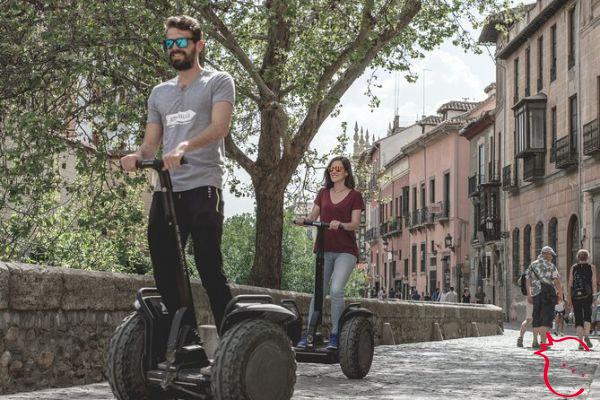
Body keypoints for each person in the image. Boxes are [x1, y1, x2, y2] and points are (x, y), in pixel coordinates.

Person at [120, 15, 234, 330]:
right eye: (169, 43)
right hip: (167, 189)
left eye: (180, 42)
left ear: (198, 45)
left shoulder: (218, 81)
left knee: (208, 267)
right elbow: (150, 145)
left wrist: (184, 146)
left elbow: (219, 127)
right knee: (165, 267)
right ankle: (186, 340)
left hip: (203, 185)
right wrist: (138, 156)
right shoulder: (159, 93)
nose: (174, 48)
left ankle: (232, 344)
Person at [295, 156, 365, 350]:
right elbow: (312, 216)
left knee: (335, 290)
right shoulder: (323, 193)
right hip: (324, 250)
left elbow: (355, 224)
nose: (334, 172)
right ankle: (308, 334)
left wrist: (340, 224)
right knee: (318, 291)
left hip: (346, 251)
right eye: (331, 169)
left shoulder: (355, 196)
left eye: (338, 169)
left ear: (346, 172)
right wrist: (304, 220)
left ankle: (335, 335)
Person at [527, 246, 564, 349]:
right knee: (546, 317)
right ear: (545, 254)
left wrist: (529, 294)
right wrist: (560, 294)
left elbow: (528, 280)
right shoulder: (551, 266)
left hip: (535, 294)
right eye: (550, 254)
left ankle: (534, 340)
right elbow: (556, 281)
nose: (552, 257)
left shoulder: (532, 265)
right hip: (547, 294)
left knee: (536, 316)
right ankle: (543, 342)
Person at [567, 249, 597, 349]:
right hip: (587, 296)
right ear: (587, 257)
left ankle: (580, 343)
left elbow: (570, 284)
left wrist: (569, 298)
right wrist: (595, 297)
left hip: (576, 297)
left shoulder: (573, 268)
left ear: (578, 257)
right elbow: (593, 283)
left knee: (578, 319)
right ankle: (587, 336)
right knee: (587, 317)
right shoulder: (591, 267)